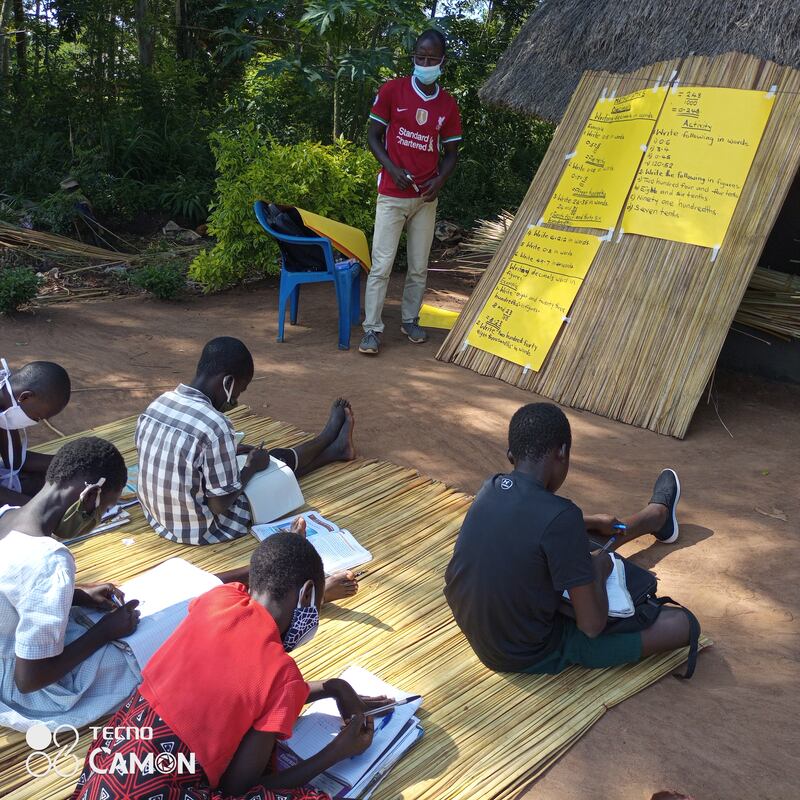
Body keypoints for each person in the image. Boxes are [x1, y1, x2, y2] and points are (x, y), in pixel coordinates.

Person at [70, 530, 387, 800]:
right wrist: (336, 752)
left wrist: (335, 687)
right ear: (306, 595)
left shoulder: (220, 598)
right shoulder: (283, 675)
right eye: (317, 604)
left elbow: (240, 689)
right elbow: (239, 788)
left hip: (110, 766)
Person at [444, 403, 692, 674]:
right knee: (681, 625)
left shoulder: (491, 487)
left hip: (478, 629)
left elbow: (530, 522)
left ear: (511, 455)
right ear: (562, 452)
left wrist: (589, 521)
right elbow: (591, 625)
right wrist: (599, 568)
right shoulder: (562, 517)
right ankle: (656, 515)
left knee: (572, 535)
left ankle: (655, 518)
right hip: (527, 652)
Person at [135, 336, 358, 600]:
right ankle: (327, 440)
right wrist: (251, 468)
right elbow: (220, 505)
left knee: (257, 460)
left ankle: (333, 451)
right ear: (228, 382)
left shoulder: (158, 403)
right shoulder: (214, 424)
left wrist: (234, 455)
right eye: (239, 390)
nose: (237, 399)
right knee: (271, 467)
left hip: (160, 518)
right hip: (205, 528)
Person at [0, 436, 143, 731]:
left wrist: (76, 596)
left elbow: (11, 588)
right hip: (22, 689)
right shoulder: (49, 559)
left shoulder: (6, 516)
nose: (98, 518)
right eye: (104, 510)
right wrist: (106, 632)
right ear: (90, 496)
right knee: (138, 660)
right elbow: (29, 680)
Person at [359, 29, 462, 355]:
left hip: (424, 199)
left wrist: (439, 182)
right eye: (421, 56)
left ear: (442, 61)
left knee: (418, 266)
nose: (426, 63)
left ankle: (410, 320)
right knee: (381, 265)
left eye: (432, 59)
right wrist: (390, 168)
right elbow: (373, 136)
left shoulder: (447, 105)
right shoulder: (392, 91)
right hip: (392, 194)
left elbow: (452, 153)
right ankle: (372, 329)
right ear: (413, 56)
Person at [0, 358, 71, 506]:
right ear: (25, 397)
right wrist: (37, 508)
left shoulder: (5, 405)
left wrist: (73, 464)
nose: (36, 422)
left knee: (51, 482)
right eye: (38, 416)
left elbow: (14, 460)